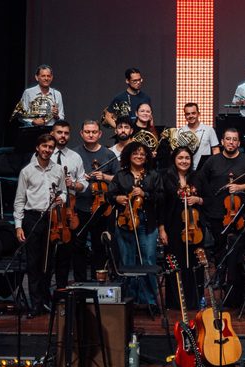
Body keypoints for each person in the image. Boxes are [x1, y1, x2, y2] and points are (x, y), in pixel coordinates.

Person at [196, 128, 245, 288]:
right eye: (228, 139)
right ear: (222, 141)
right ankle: (219, 275)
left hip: (238, 213)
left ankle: (236, 281)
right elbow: (201, 182)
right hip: (217, 212)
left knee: (237, 248)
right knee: (218, 247)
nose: (231, 142)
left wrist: (239, 187)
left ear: (239, 142)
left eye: (234, 139)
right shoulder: (212, 161)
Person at [14, 134, 65, 315]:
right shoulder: (27, 171)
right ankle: (35, 303)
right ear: (38, 147)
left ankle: (45, 299)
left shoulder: (58, 170)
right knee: (33, 263)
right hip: (32, 218)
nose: (47, 150)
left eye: (51, 147)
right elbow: (19, 201)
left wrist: (61, 199)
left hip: (51, 219)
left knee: (48, 262)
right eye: (44, 146)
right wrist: (18, 226)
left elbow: (64, 193)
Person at [109, 141, 165, 305]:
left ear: (147, 157)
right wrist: (116, 198)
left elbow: (161, 198)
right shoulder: (121, 175)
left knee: (148, 261)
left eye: (142, 154)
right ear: (129, 155)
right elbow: (109, 195)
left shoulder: (153, 175)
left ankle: (149, 301)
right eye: (135, 153)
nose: (139, 156)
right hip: (125, 222)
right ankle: (129, 300)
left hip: (147, 224)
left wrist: (145, 193)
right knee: (128, 262)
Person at [72, 119, 119, 278]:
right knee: (78, 246)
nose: (90, 134)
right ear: (81, 133)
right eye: (87, 132)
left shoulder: (108, 154)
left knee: (99, 247)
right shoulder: (75, 154)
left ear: (99, 134)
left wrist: (104, 176)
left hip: (102, 208)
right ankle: (80, 284)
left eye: (94, 132)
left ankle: (97, 283)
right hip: (80, 206)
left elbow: (119, 180)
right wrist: (80, 178)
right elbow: (68, 179)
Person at [44, 121, 88, 288]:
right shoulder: (44, 154)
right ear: (53, 133)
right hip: (47, 209)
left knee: (65, 255)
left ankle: (61, 291)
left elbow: (83, 184)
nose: (63, 136)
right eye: (59, 132)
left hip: (68, 211)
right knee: (46, 256)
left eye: (66, 133)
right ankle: (44, 294)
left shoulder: (75, 157)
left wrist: (73, 184)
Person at [159, 145, 205, 307]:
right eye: (180, 158)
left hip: (195, 228)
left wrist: (197, 200)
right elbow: (161, 204)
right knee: (175, 262)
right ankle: (175, 301)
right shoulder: (166, 177)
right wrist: (162, 228)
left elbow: (207, 198)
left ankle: (194, 300)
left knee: (195, 263)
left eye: (187, 158)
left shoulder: (197, 176)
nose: (184, 161)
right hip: (173, 226)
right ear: (174, 160)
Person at [176, 102, 220, 168]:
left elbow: (215, 149)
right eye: (188, 114)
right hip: (185, 169)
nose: (191, 116)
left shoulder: (209, 130)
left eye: (193, 113)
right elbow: (176, 152)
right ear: (185, 116)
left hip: (205, 169)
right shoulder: (180, 131)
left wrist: (216, 167)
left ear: (198, 114)